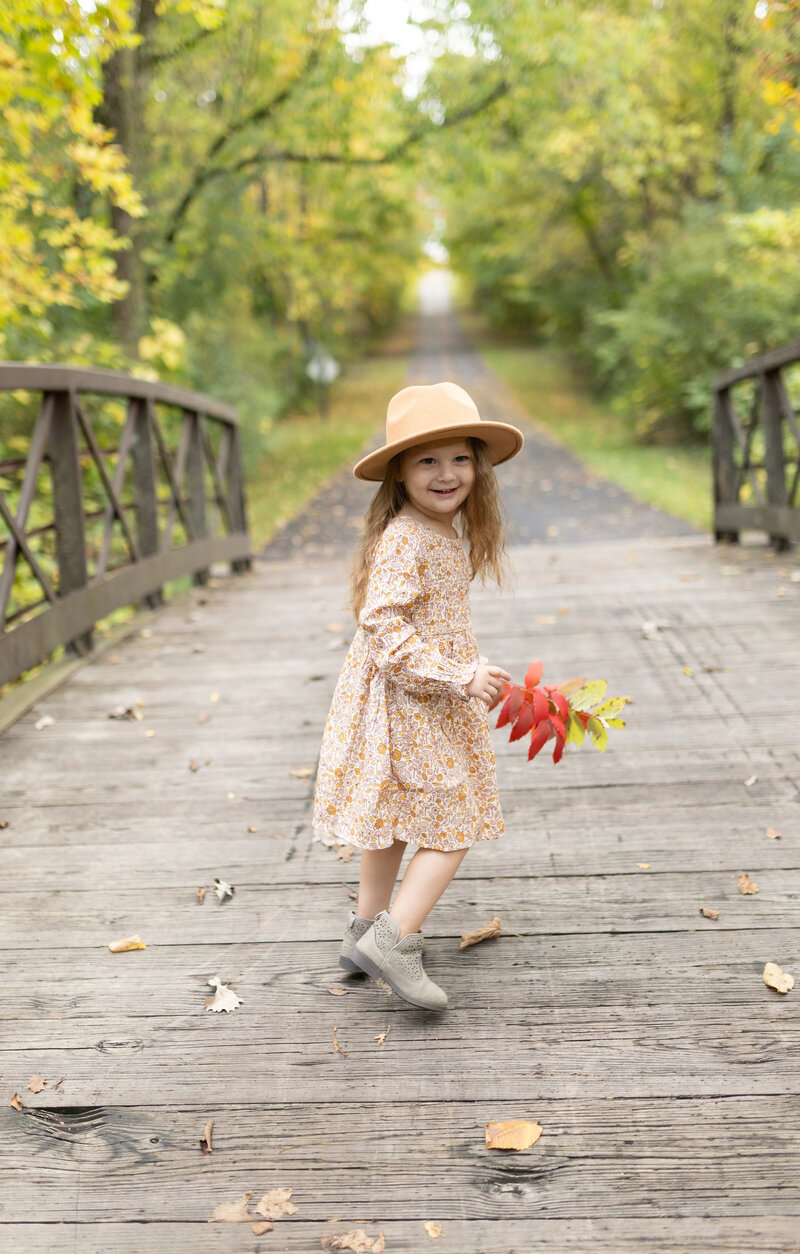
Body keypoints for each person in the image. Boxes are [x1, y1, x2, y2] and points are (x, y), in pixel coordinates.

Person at [312, 381, 524, 1010]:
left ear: (478, 468)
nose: (446, 473)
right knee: (453, 820)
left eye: (459, 458)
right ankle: (393, 939)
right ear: (399, 473)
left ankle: (363, 930)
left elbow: (428, 622)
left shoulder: (433, 532)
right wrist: (460, 676)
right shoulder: (410, 536)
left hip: (411, 697)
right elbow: (380, 625)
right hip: (413, 700)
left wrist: (468, 662)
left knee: (394, 818)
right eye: (426, 460)